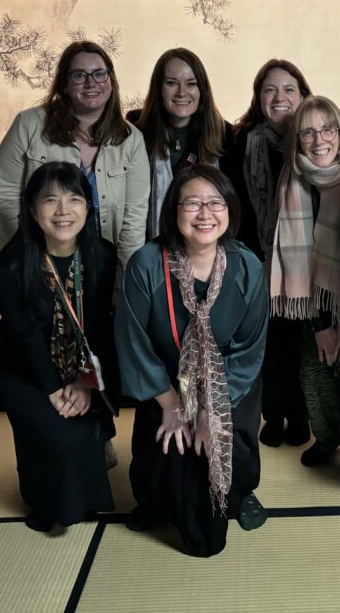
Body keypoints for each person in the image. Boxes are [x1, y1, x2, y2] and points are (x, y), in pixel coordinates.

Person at [116, 164, 268, 557]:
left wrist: (208, 411)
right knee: (166, 446)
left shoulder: (247, 266)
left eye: (215, 202)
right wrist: (171, 404)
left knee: (224, 442)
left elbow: (249, 348)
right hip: (164, 380)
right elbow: (132, 339)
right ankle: (154, 503)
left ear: (230, 210)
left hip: (228, 381)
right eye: (192, 203)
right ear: (173, 211)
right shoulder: (147, 264)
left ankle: (238, 495)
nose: (205, 214)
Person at [0, 162, 118, 534]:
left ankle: (83, 499)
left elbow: (99, 328)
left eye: (74, 199)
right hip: (22, 369)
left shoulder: (102, 255)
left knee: (83, 433)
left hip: (77, 366)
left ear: (88, 208)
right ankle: (44, 504)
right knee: (56, 434)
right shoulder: (10, 266)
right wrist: (54, 389)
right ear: (32, 209)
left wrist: (85, 382)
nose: (63, 211)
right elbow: (23, 336)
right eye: (50, 200)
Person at [270, 95, 340, 475]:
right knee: (314, 377)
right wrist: (322, 326)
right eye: (308, 132)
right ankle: (326, 437)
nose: (319, 140)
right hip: (310, 308)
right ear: (297, 139)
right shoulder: (291, 182)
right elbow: (299, 261)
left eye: (327, 129)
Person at [0, 40, 150, 285]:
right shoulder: (28, 126)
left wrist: (123, 282)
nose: (91, 83)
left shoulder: (131, 140)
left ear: (111, 81)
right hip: (39, 266)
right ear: (64, 84)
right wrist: (25, 264)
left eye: (99, 74)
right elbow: (4, 200)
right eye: (79, 75)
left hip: (102, 268)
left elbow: (134, 220)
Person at [222, 59, 312, 448]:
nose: (279, 97)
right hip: (254, 260)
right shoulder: (241, 141)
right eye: (270, 90)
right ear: (259, 98)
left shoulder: (317, 139)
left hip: (304, 263)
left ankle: (302, 415)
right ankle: (272, 415)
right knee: (264, 346)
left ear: (304, 95)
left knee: (302, 345)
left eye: (289, 89)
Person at [128, 47, 234, 239]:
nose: (181, 93)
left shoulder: (224, 135)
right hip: (149, 251)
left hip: (206, 248)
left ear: (202, 90)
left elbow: (232, 205)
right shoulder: (136, 134)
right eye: (171, 83)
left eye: (191, 84)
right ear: (159, 88)